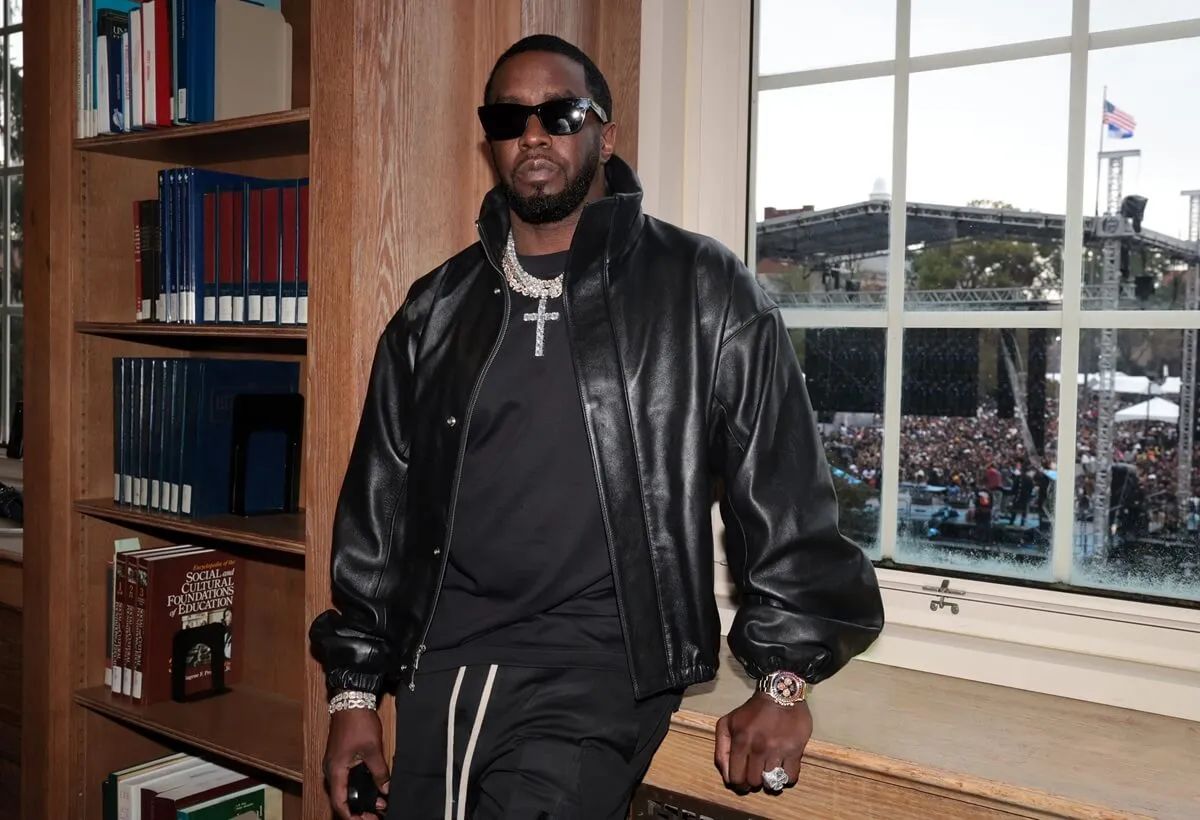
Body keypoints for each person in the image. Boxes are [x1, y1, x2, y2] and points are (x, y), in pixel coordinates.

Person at [308, 33, 884, 820]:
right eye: (510, 117)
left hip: (601, 666)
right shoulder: (435, 309)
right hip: (444, 662)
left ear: (604, 135)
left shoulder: (703, 290)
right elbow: (377, 516)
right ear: (492, 140)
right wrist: (352, 693)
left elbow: (782, 496)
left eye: (560, 112)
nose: (534, 133)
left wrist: (785, 679)